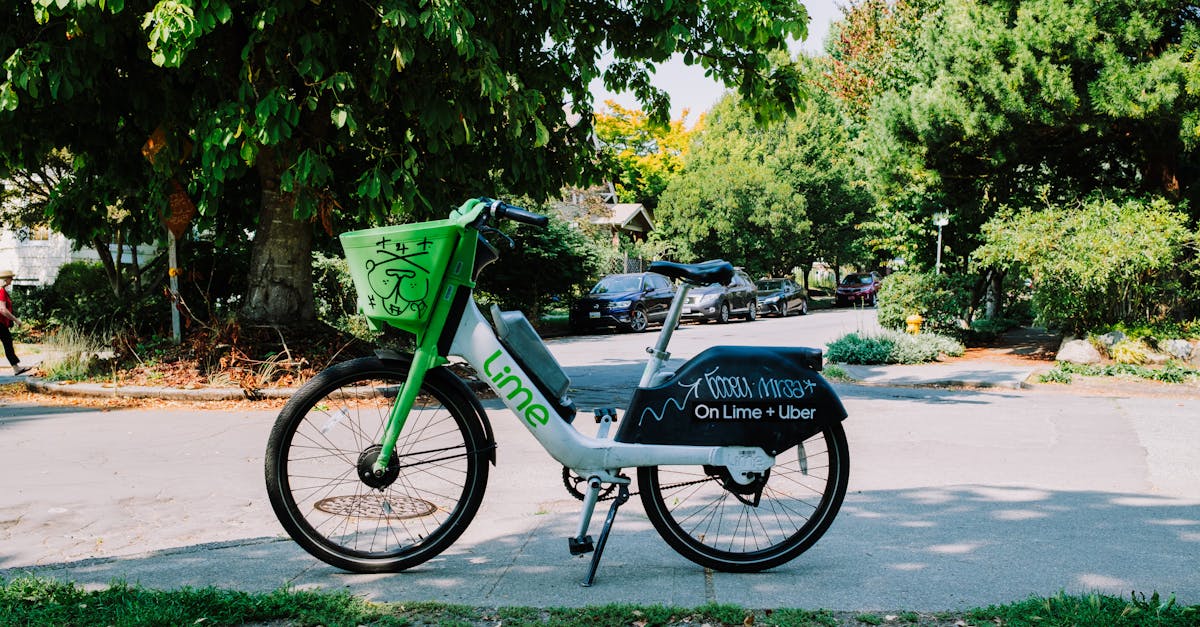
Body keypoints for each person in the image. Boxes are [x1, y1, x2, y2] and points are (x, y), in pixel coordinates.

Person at [0, 269, 30, 376]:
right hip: (0, 324)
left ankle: (16, 368)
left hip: (2, 324)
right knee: (8, 344)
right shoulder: (1, 291)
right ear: (5, 279)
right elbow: (2, 309)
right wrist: (16, 320)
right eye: (10, 278)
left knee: (8, 345)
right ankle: (16, 368)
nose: (11, 280)